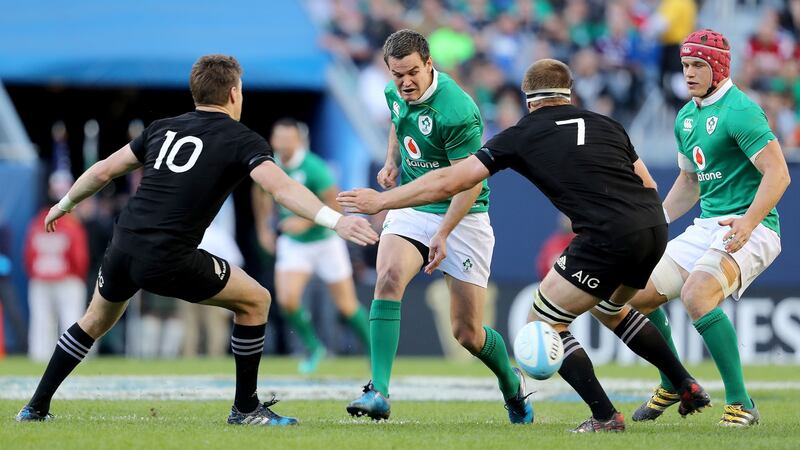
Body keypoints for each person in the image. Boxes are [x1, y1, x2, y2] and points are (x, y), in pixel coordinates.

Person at [338, 58, 712, 432]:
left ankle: (605, 416)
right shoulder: (607, 124)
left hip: (605, 235)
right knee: (611, 308)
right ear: (569, 93)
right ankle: (685, 383)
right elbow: (647, 183)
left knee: (544, 323)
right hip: (653, 226)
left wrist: (382, 201)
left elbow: (452, 181)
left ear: (528, 98)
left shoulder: (521, 134)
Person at [15, 54, 378, 425]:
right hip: (168, 255)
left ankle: (35, 407)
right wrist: (336, 220)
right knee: (256, 300)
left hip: (123, 245)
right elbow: (281, 188)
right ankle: (246, 409)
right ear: (234, 93)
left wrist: (64, 203)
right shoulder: (240, 138)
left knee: (93, 320)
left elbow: (104, 170)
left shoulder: (162, 128)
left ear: (195, 93)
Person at [592, 29, 790, 427]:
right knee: (622, 295)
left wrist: (749, 222)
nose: (688, 73)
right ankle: (673, 380)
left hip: (753, 226)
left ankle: (742, 404)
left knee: (697, 295)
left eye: (698, 65)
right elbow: (689, 182)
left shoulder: (741, 110)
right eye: (685, 65)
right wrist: (656, 221)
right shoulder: (685, 117)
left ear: (719, 68)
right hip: (707, 225)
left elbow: (779, 174)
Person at [344, 29, 530, 424]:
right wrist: (392, 160)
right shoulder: (395, 92)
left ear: (430, 64)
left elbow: (469, 182)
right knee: (388, 277)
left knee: (468, 333)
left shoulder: (458, 110)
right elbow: (398, 120)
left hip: (464, 213)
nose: (405, 83)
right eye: (397, 75)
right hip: (415, 206)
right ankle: (378, 391)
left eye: (413, 72)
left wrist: (443, 232)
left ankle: (510, 382)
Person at [253, 118, 370, 374]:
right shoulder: (269, 166)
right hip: (294, 244)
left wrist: (304, 222)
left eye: (288, 138)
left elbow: (336, 205)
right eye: (279, 138)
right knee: (287, 300)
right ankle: (314, 347)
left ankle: (374, 352)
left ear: (299, 141)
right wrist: (263, 228)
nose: (283, 143)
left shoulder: (315, 168)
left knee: (346, 305)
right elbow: (260, 193)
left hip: (325, 242)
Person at [23, 171, 89, 361]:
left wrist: (35, 272)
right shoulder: (72, 224)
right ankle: (74, 357)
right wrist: (79, 275)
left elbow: (28, 255)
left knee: (41, 321)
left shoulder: (38, 221)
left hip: (41, 277)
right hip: (67, 278)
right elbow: (79, 257)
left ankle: (39, 356)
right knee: (71, 319)